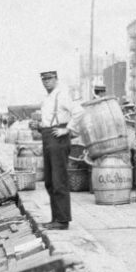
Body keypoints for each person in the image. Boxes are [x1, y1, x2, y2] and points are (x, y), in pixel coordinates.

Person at [28, 70, 83, 231]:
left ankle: (62, 220)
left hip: (58, 138)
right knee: (50, 181)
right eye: (44, 79)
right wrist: (39, 127)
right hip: (48, 136)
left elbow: (79, 111)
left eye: (50, 79)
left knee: (59, 180)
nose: (46, 82)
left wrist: (68, 129)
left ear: (56, 79)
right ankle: (56, 218)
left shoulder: (62, 94)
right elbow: (48, 121)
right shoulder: (48, 98)